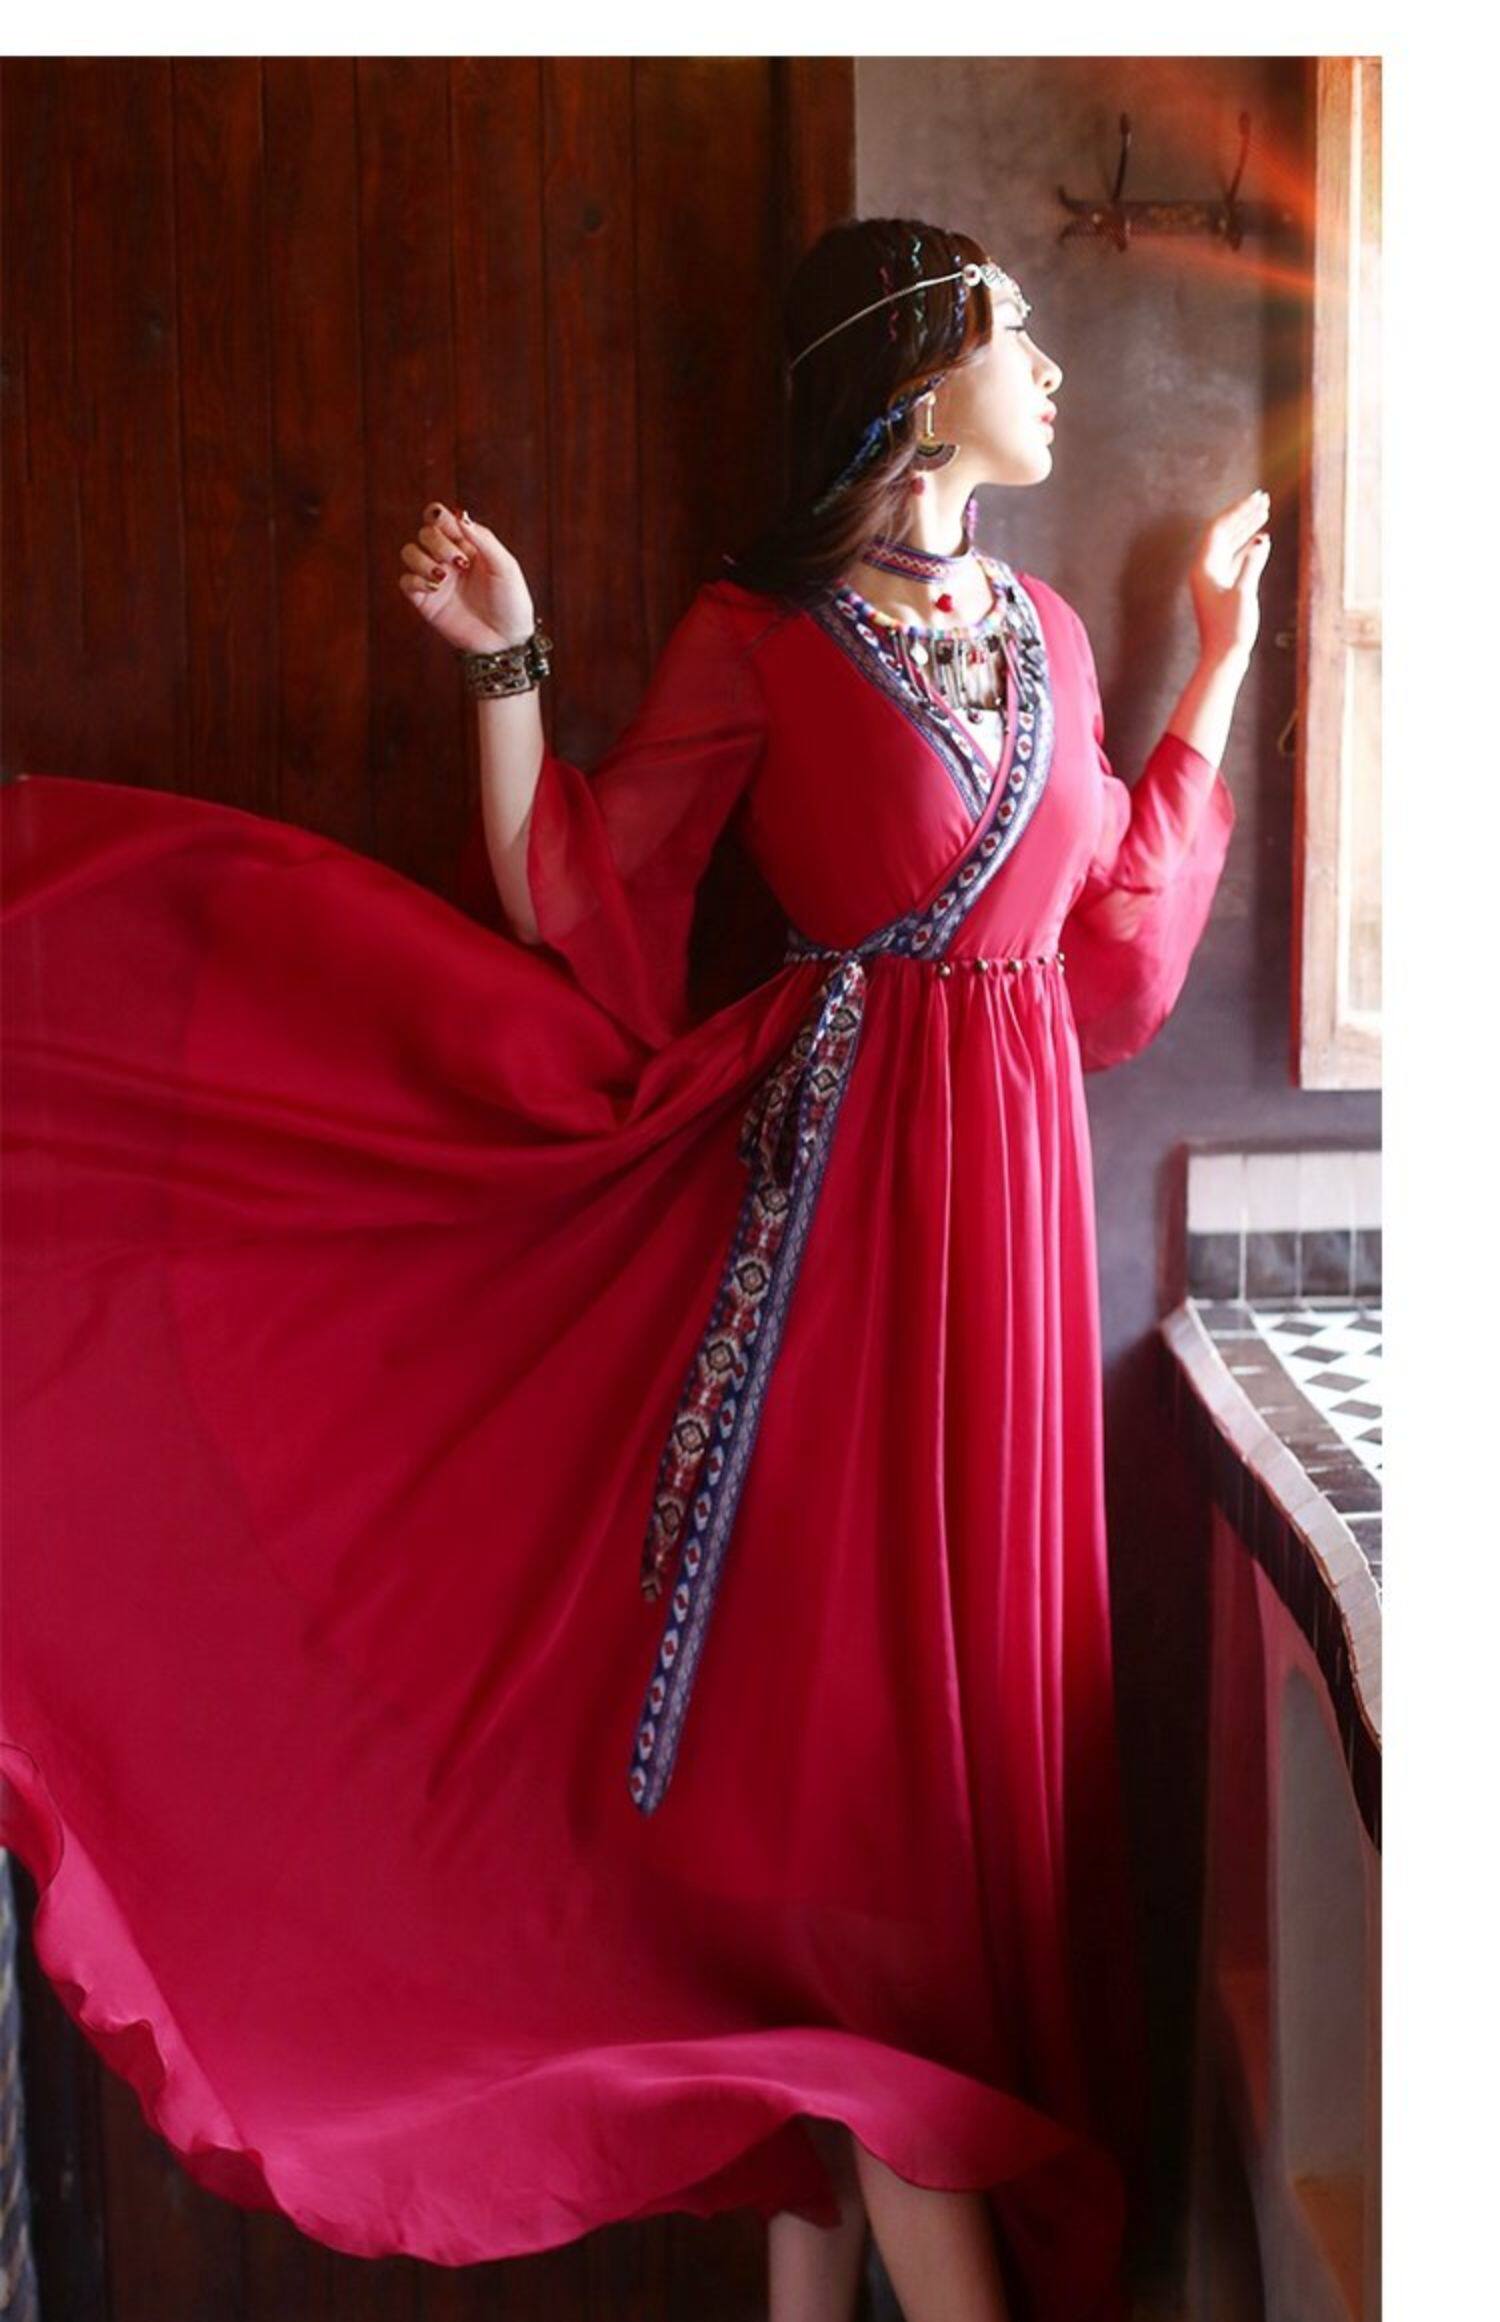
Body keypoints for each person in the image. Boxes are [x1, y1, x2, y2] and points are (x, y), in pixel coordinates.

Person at [0, 216, 1263, 2322]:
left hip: (1017, 1263)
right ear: (912, 365)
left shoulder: (1048, 628)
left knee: (958, 1807)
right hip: (824, 1253)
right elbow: (579, 894)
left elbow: (1116, 965)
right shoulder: (761, 636)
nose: (1046, 362)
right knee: (853, 1820)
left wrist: (1216, 665)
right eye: (1014, 326)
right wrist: (508, 666)